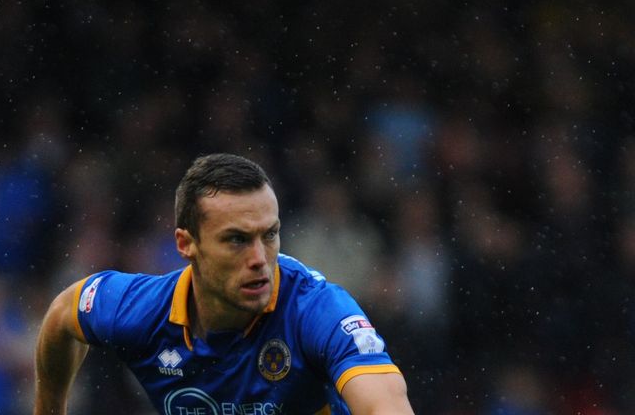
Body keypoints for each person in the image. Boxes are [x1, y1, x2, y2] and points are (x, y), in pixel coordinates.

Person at [34, 153, 414, 414]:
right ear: (186, 244)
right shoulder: (137, 310)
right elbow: (61, 316)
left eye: (270, 235)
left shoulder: (317, 310)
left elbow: (386, 403)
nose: (259, 259)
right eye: (236, 239)